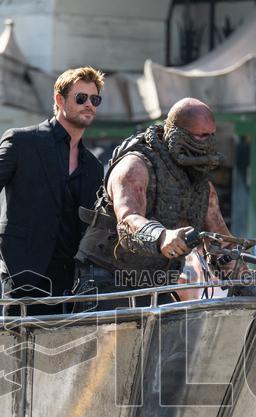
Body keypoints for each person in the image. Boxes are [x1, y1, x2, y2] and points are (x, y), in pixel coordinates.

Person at [73, 97, 246, 310]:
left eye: (211, 136)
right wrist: (162, 236)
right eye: (200, 136)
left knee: (175, 340)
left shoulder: (202, 188)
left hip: (155, 285)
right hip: (106, 279)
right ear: (173, 132)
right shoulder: (135, 167)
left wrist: (253, 284)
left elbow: (221, 242)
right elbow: (128, 219)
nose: (207, 144)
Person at [0, 67, 105, 314]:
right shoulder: (21, 142)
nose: (89, 104)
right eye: (81, 98)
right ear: (59, 100)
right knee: (21, 351)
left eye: (95, 99)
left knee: (64, 352)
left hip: (69, 284)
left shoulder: (93, 167)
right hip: (23, 276)